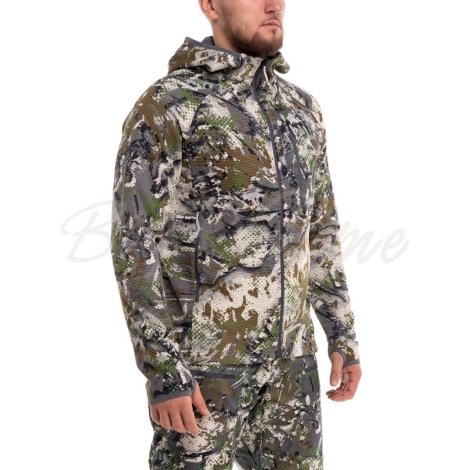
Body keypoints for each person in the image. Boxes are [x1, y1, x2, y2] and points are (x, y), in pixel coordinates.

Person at [110, 0, 362, 468]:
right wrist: (164, 371)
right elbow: (134, 243)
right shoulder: (171, 105)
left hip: (292, 367)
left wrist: (341, 333)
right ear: (210, 5)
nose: (273, 5)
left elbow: (321, 228)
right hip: (203, 373)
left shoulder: (302, 108)